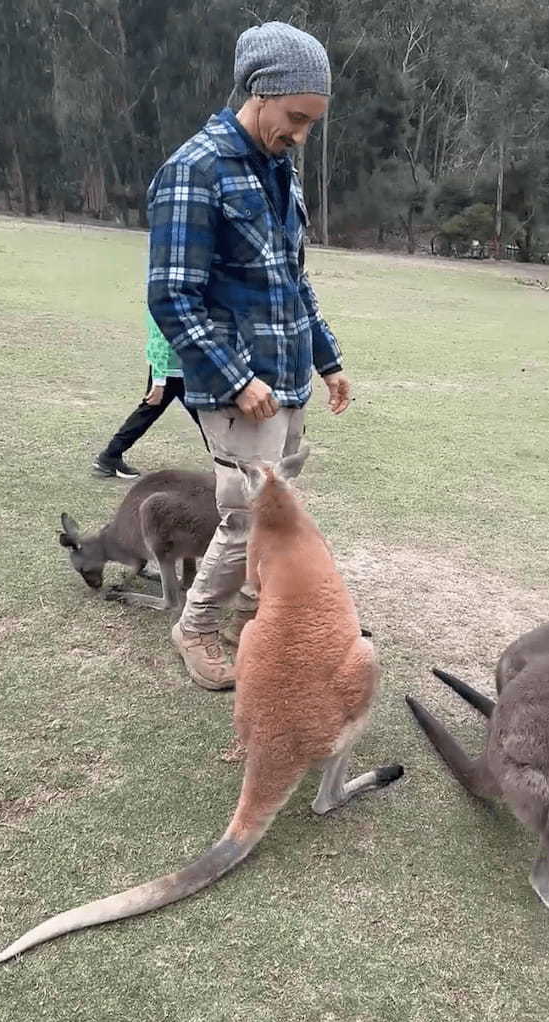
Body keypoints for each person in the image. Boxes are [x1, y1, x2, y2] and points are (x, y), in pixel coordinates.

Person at [148, 20, 351, 690]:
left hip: (289, 379)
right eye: (295, 117)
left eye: (311, 122)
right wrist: (237, 380)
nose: (301, 135)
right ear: (260, 93)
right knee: (245, 520)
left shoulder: (278, 171)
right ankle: (196, 628)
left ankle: (253, 617)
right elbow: (173, 296)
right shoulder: (194, 170)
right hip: (238, 389)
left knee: (279, 507)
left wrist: (328, 360)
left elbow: (294, 280)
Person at [92, 309, 208, 478]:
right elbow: (160, 339)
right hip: (171, 372)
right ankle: (110, 456)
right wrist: (159, 380)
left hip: (180, 370)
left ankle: (110, 456)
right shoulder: (166, 297)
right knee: (205, 417)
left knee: (202, 417)